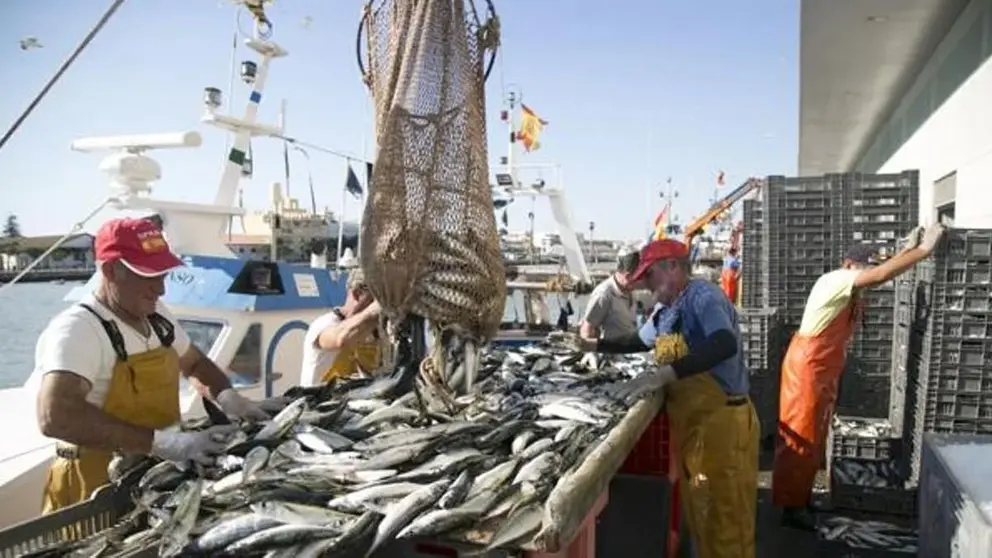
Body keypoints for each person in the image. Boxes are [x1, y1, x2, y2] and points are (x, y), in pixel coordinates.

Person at [31, 217, 268, 514]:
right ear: (110, 271)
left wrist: (229, 397)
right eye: (148, 275)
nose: (160, 289)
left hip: (155, 473)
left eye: (163, 274)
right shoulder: (78, 329)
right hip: (96, 487)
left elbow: (194, 363)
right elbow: (55, 416)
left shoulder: (155, 316)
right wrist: (164, 443)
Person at [560, 238, 758, 558]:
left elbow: (724, 343)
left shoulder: (703, 297)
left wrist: (666, 374)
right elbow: (638, 341)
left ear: (673, 267)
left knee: (726, 521)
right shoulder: (666, 309)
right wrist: (593, 345)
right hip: (695, 429)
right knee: (702, 513)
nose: (647, 286)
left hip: (723, 427)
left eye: (650, 276)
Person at [774, 223, 945, 530]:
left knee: (816, 437)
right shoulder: (837, 279)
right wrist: (923, 251)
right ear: (849, 264)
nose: (867, 273)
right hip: (808, 367)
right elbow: (879, 276)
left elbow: (878, 273)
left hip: (824, 368)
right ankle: (791, 506)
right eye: (864, 266)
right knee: (801, 437)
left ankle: (802, 497)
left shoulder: (851, 287)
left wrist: (906, 251)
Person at [300, 267, 382, 387]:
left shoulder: (375, 329)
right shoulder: (324, 324)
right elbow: (341, 339)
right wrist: (374, 309)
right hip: (319, 396)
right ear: (357, 294)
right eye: (375, 298)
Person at [578, 247, 640, 340]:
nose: (636, 282)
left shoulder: (631, 290)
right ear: (624, 273)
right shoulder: (604, 294)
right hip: (611, 348)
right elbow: (586, 330)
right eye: (632, 278)